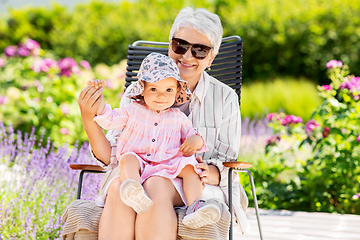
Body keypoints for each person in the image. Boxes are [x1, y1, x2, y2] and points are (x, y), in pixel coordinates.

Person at [77, 7, 246, 240]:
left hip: (195, 182)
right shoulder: (137, 95)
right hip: (138, 175)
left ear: (211, 58)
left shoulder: (225, 98)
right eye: (180, 46)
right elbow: (113, 156)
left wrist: (209, 171)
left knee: (156, 184)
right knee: (119, 188)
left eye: (200, 50)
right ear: (170, 45)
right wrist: (89, 118)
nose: (187, 56)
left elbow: (229, 166)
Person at [88, 52, 221, 229]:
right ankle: (133, 190)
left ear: (176, 92)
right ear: (142, 90)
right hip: (139, 163)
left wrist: (195, 140)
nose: (161, 96)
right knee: (127, 158)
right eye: (154, 89)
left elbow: (192, 133)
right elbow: (109, 119)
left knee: (190, 167)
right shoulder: (132, 110)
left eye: (168, 90)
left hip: (168, 165)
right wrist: (98, 101)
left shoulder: (178, 117)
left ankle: (196, 206)